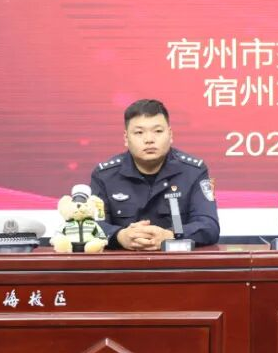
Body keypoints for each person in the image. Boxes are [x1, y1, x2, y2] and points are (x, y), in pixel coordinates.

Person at [90, 99, 219, 250]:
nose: (149, 140)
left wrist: (171, 235)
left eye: (158, 131)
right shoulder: (104, 176)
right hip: (123, 262)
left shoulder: (193, 171)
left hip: (176, 262)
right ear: (126, 138)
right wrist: (119, 236)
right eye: (139, 132)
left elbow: (209, 226)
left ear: (170, 134)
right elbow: (90, 226)